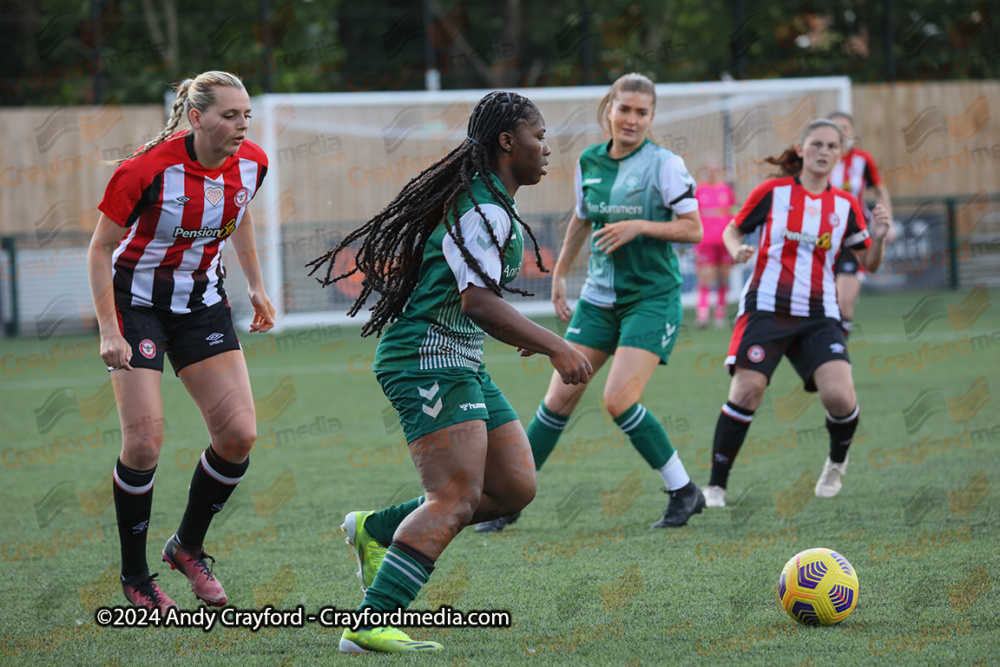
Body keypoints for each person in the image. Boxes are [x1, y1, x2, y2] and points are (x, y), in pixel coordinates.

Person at [306, 91, 593, 653]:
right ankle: (369, 624)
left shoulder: (490, 202)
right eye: (538, 137)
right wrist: (556, 346)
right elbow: (478, 303)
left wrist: (527, 336)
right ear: (507, 142)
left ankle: (373, 528)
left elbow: (476, 303)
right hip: (424, 360)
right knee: (455, 497)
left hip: (457, 358)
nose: (547, 149)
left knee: (513, 488)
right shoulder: (484, 208)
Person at [475, 73, 706, 534]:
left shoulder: (665, 164)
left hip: (651, 300)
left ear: (652, 117)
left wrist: (642, 226)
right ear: (609, 110)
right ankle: (509, 500)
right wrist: (560, 274)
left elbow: (694, 228)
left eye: (642, 112)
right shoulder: (590, 161)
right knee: (558, 400)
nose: (632, 119)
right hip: (599, 301)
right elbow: (581, 220)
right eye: (625, 109)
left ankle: (683, 491)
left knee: (619, 400)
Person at [87, 71, 275, 611]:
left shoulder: (253, 163)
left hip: (199, 306)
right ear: (197, 118)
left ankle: (186, 547)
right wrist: (108, 328)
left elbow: (237, 217)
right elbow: (100, 249)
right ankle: (135, 577)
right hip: (137, 308)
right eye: (229, 115)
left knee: (239, 435)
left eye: (246, 115)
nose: (242, 125)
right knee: (144, 443)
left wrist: (257, 287)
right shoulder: (144, 171)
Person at [701, 119, 890, 508]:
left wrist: (881, 237)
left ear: (840, 153)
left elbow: (869, 262)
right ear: (802, 150)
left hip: (819, 313)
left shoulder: (846, 205)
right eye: (816, 144)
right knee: (747, 392)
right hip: (766, 308)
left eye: (832, 146)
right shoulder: (772, 192)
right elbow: (733, 230)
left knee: (839, 397)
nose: (823, 151)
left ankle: (837, 463)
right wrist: (736, 248)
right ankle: (716, 487)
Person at [827, 111, 894, 339]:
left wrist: (888, 222)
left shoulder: (862, 159)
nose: (841, 131)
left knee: (844, 305)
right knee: (823, 306)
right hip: (822, 237)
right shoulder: (819, 159)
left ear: (851, 131)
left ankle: (838, 356)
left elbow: (880, 189)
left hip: (855, 236)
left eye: (844, 127)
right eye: (835, 127)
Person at [694, 160, 737, 328]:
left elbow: (734, 212)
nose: (712, 173)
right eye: (708, 170)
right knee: (705, 277)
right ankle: (702, 315)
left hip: (724, 241)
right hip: (705, 241)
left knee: (722, 278)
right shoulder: (699, 191)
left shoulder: (726, 190)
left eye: (714, 170)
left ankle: (719, 315)